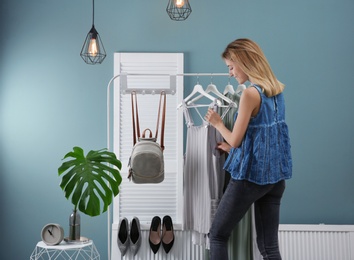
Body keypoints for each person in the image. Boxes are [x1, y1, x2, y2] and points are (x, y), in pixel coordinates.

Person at [205, 38, 292, 260]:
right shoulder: (276, 90)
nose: (230, 73)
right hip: (275, 179)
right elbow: (263, 136)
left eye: (231, 67)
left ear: (243, 61)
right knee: (269, 247)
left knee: (217, 235)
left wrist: (218, 123)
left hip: (251, 179)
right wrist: (231, 147)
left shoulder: (249, 94)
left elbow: (235, 140)